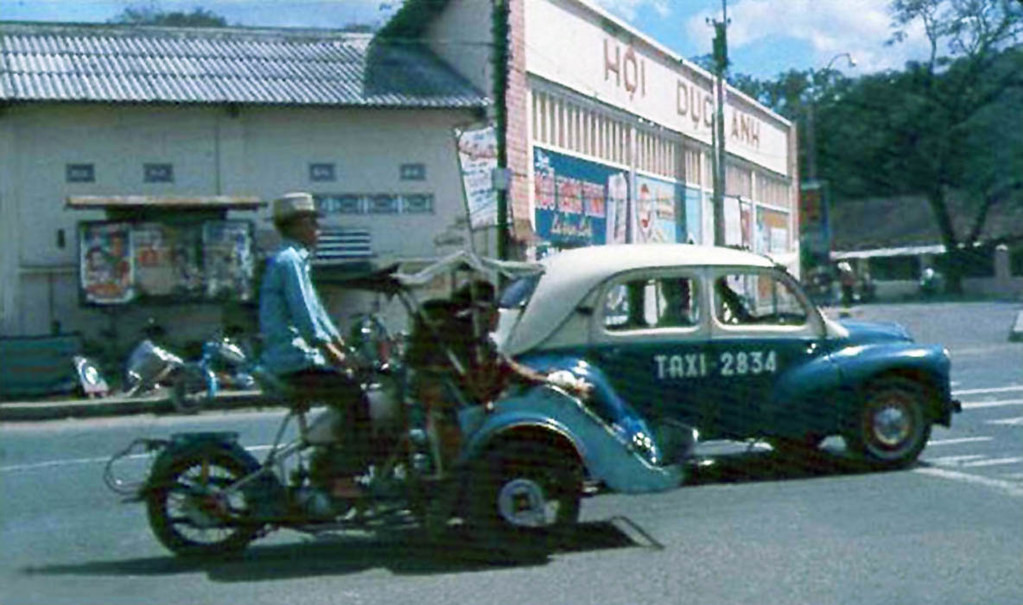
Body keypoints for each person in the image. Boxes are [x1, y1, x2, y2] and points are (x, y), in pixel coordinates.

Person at [408, 279, 590, 469]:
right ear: (481, 313)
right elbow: (512, 372)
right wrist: (554, 381)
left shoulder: (477, 343)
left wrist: (547, 377)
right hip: (472, 416)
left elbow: (511, 368)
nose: (499, 315)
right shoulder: (469, 346)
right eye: (495, 309)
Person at [259, 191, 370, 500]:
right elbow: (304, 315)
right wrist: (332, 353)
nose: (318, 231)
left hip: (299, 358)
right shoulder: (289, 261)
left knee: (349, 392)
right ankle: (343, 478)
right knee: (355, 400)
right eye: (313, 224)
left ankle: (332, 462)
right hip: (294, 361)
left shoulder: (297, 260)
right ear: (296, 226)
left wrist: (342, 346)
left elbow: (318, 312)